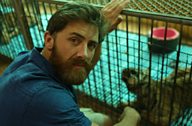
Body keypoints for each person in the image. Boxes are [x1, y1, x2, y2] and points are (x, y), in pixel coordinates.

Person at [0, 0, 141, 126]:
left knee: (103, 119)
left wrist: (101, 33)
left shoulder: (27, 58)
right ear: (49, 40)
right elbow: (51, 103)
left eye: (91, 45)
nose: (84, 54)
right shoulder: (48, 99)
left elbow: (85, 67)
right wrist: (132, 116)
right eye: (74, 40)